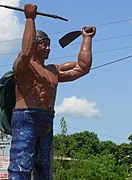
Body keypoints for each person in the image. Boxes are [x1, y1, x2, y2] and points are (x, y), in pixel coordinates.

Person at [7, 4, 96, 180]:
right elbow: (25, 52)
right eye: (44, 45)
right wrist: (30, 19)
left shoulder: (53, 71)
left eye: (49, 45)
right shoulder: (23, 67)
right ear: (35, 45)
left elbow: (83, 68)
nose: (48, 48)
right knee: (20, 165)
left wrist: (87, 38)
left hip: (47, 119)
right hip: (26, 118)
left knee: (44, 169)